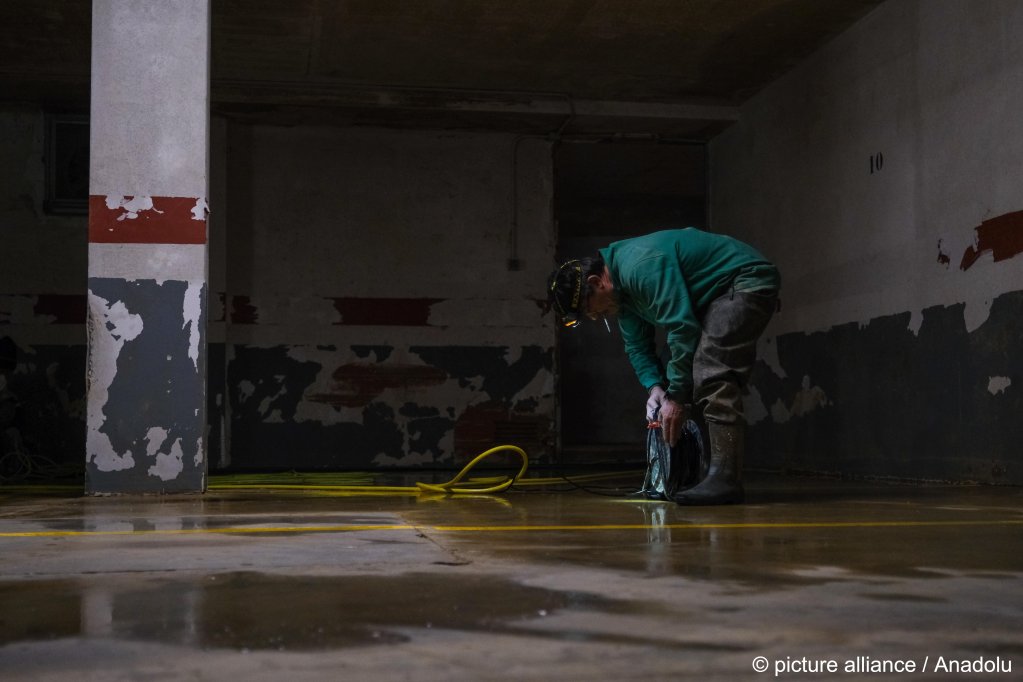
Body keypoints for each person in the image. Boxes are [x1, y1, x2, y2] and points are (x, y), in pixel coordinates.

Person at [547, 228, 780, 505]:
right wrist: (656, 388)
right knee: (680, 370)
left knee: (710, 370)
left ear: (598, 282)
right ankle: (713, 472)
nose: (595, 317)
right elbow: (637, 346)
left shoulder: (639, 267)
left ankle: (725, 479)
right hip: (714, 294)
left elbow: (682, 327)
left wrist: (677, 398)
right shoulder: (621, 293)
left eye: (589, 310)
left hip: (744, 281)